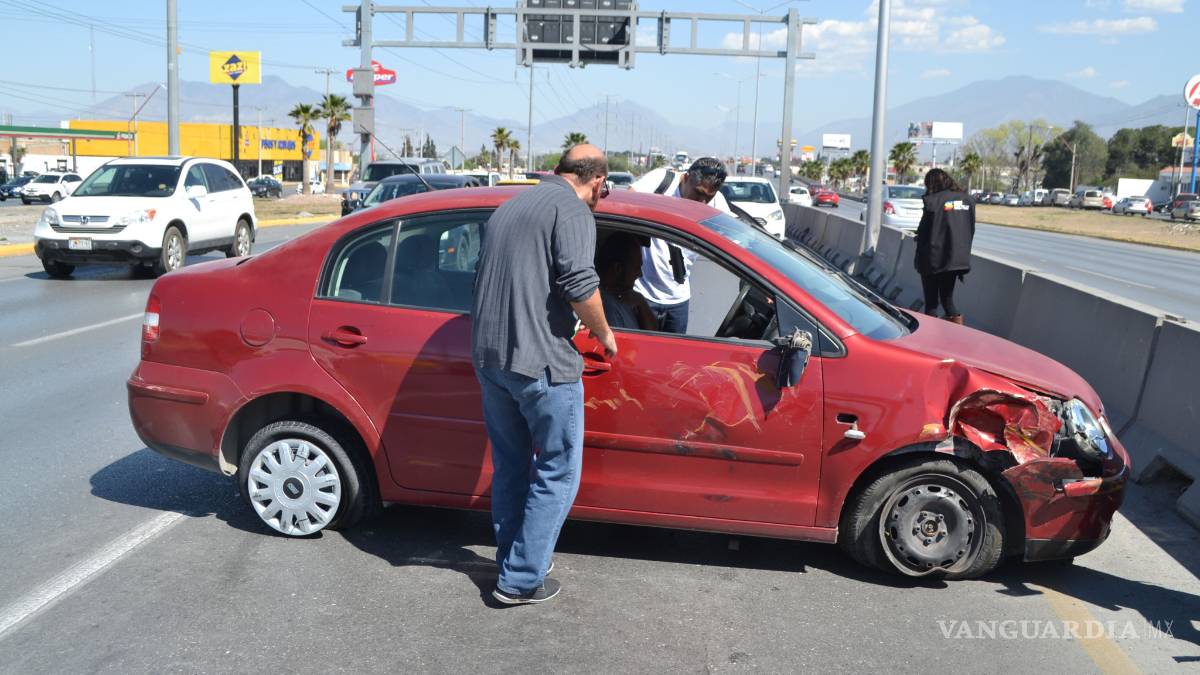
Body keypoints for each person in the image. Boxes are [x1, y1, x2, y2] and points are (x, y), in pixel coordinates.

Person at [471, 143, 616, 605]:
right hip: (542, 364)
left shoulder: (511, 206)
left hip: (492, 359)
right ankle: (521, 579)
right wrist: (606, 335)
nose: (602, 195)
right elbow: (579, 285)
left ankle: (514, 559)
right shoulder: (572, 212)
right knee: (558, 468)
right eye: (604, 188)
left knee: (512, 465)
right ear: (595, 180)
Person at [629, 157, 733, 333]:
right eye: (697, 193)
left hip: (678, 300)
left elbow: (736, 238)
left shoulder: (716, 202)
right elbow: (626, 202)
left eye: (708, 197)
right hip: (641, 294)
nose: (701, 203)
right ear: (685, 178)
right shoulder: (661, 181)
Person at [915, 168, 975, 325]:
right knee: (948, 301)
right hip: (956, 259)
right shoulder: (967, 200)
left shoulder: (932, 201)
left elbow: (923, 230)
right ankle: (957, 334)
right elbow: (970, 228)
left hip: (933, 259)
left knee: (931, 304)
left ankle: (930, 341)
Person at [596, 232, 658, 331]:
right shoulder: (609, 308)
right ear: (617, 268)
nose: (640, 274)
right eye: (636, 268)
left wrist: (641, 302)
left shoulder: (625, 296)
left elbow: (653, 334)